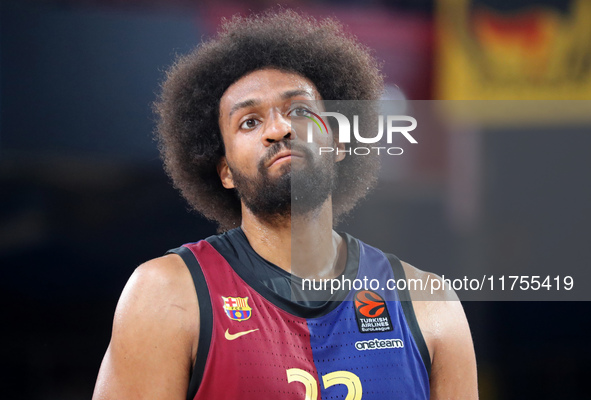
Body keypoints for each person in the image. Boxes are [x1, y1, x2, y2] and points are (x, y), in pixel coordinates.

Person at [92, 9, 478, 400]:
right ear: (224, 171)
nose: (279, 128)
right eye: (249, 122)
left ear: (339, 143)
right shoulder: (167, 293)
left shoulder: (430, 303)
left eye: (299, 110)